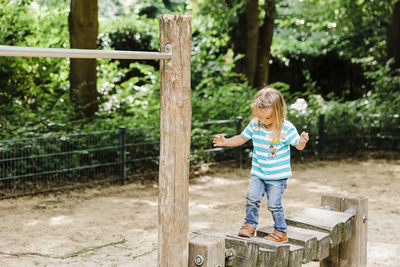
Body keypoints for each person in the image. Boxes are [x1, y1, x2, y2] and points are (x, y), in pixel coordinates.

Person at [213, 87, 309, 243]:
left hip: (277, 177)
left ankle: (280, 231)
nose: (263, 121)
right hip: (258, 173)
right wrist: (226, 142)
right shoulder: (255, 125)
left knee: (274, 204)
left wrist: (302, 141)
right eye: (260, 117)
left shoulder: (286, 128)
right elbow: (241, 138)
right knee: (252, 197)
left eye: (268, 119)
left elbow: (298, 145)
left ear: (278, 113)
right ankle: (250, 225)